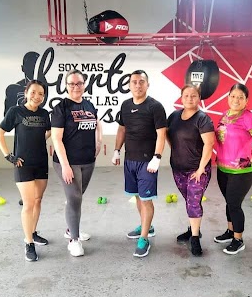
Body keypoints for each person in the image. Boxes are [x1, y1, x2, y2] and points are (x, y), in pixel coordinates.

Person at [112, 70, 167, 258]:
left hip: (147, 162)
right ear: (129, 85)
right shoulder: (125, 105)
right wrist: (116, 150)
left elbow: (161, 134)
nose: (137, 85)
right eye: (134, 82)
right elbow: (122, 130)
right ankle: (147, 226)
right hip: (130, 160)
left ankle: (144, 238)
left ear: (147, 85)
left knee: (146, 199)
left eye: (141, 81)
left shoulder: (155, 107)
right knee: (137, 196)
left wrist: (157, 157)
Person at [0, 80, 51, 262]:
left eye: (41, 94)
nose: (37, 96)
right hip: (23, 164)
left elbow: (49, 131)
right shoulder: (16, 111)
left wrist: (39, 138)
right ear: (26, 93)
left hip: (41, 162)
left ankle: (33, 232)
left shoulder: (44, 114)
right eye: (33, 92)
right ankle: (29, 242)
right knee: (28, 204)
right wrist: (8, 155)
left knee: (38, 200)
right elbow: (0, 132)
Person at [51, 70, 102, 257]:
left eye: (79, 83)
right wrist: (65, 166)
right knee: (74, 198)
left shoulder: (89, 105)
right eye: (71, 84)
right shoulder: (61, 108)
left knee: (77, 196)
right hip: (68, 162)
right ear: (66, 86)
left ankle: (70, 229)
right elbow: (56, 138)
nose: (75, 87)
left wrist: (99, 140)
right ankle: (74, 240)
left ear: (84, 85)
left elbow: (97, 122)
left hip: (88, 161)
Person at [214, 83, 252, 255]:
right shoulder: (225, 115)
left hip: (241, 172)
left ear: (246, 100)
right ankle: (230, 231)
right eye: (233, 96)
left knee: (234, 204)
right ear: (228, 97)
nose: (236, 100)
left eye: (240, 97)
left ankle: (238, 240)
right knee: (229, 202)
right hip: (223, 168)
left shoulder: (249, 118)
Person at [167, 84, 215, 256]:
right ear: (181, 97)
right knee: (189, 201)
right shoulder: (173, 116)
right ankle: (193, 229)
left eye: (193, 95)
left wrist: (201, 168)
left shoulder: (203, 119)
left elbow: (209, 144)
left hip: (197, 170)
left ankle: (195, 238)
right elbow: (169, 136)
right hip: (178, 168)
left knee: (193, 202)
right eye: (186, 95)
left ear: (199, 98)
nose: (189, 98)